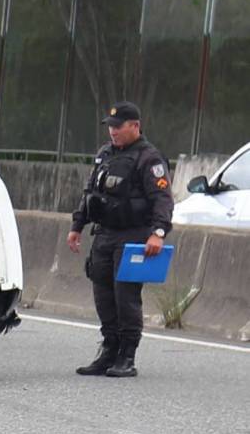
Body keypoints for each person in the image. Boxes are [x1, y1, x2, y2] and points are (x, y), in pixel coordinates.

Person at [67, 101, 173, 378]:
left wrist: (158, 233)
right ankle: (109, 349)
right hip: (104, 233)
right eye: (110, 127)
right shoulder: (105, 154)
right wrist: (77, 225)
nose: (113, 131)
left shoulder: (149, 158)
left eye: (118, 126)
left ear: (135, 126)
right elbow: (90, 192)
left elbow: (162, 199)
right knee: (102, 293)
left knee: (125, 296)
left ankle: (127, 355)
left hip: (133, 235)